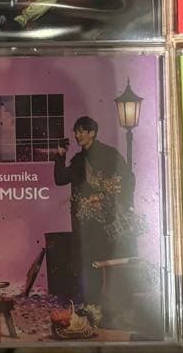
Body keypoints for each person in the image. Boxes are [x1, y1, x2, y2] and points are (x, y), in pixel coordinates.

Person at [53, 116, 135, 304]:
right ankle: (91, 305)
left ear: (92, 133)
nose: (77, 135)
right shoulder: (78, 160)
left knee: (104, 262)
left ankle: (105, 305)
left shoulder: (109, 154)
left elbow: (128, 179)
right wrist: (60, 155)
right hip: (83, 222)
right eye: (76, 131)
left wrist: (120, 204)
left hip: (106, 220)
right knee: (85, 262)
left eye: (81, 131)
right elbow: (60, 179)